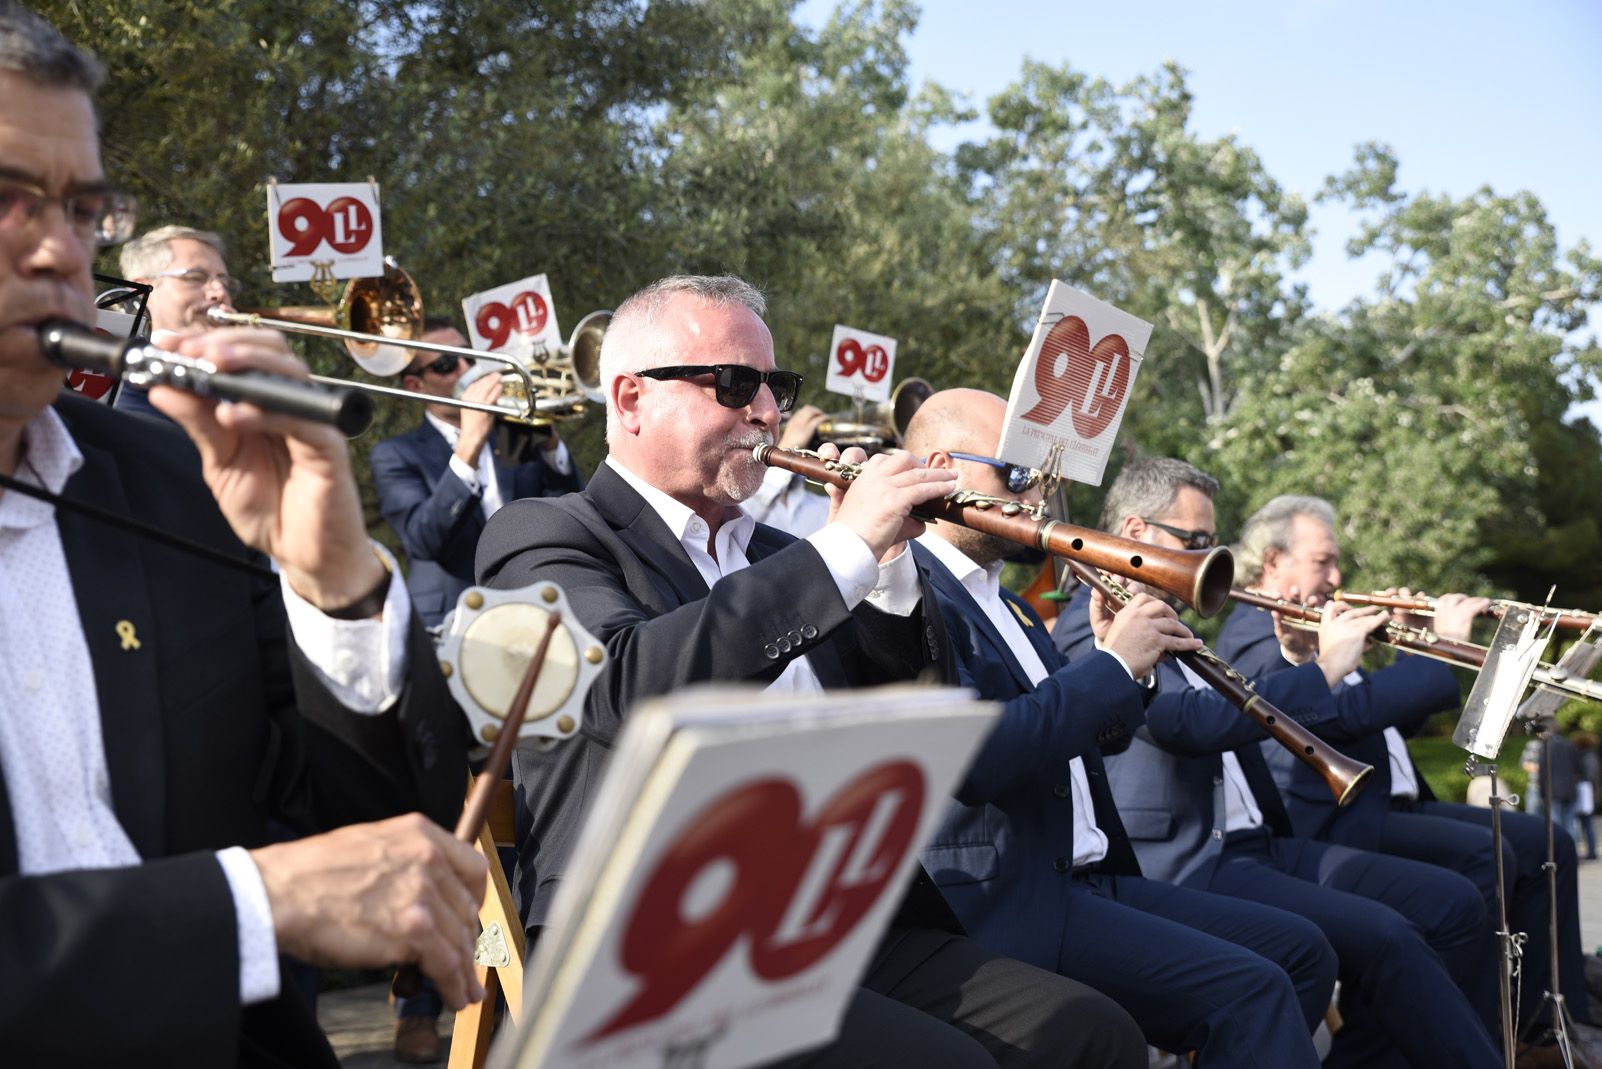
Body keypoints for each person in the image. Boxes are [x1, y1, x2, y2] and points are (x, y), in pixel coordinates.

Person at [477, 277, 1147, 1068]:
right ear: (630, 399)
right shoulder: (544, 533)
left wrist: (891, 567)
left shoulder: (776, 556)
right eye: (732, 383)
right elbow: (621, 689)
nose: (765, 411)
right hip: (660, 935)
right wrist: (842, 550)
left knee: (1093, 1033)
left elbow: (915, 720)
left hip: (839, 918)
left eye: (774, 386)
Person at [0, 7, 485, 1064]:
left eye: (83, 209)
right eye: (8, 198)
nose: (56, 248)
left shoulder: (161, 476)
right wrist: (242, 909)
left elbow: (358, 825)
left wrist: (335, 584)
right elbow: (276, 886)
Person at [898, 390, 1340, 1067]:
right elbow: (982, 758)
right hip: (1011, 894)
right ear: (939, 466)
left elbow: (1088, 738)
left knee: (1297, 955)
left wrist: (1123, 673)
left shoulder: (1010, 604)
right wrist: (1110, 664)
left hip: (1090, 875)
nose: (1037, 495)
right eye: (1015, 474)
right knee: (1250, 990)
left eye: (1041, 479)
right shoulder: (909, 592)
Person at [1055, 457, 1500, 1068]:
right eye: (1196, 542)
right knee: (1365, 940)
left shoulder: (1174, 618)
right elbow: (1191, 724)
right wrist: (1325, 668)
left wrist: (1297, 663)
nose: (1211, 557)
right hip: (1188, 858)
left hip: (1257, 840)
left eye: (1212, 542)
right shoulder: (1090, 623)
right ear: (1135, 532)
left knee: (1445, 905)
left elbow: (1238, 714)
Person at [1216, 493, 1591, 1034]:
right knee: (1489, 856)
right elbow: (1336, 718)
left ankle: (1542, 1023)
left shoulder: (1318, 620)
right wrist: (1433, 647)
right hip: (1333, 820)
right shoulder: (1253, 631)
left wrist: (1404, 647)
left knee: (1544, 841)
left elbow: (1382, 722)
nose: (1337, 574)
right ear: (1273, 562)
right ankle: (1471, 1032)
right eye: (1323, 560)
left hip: (1384, 802)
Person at [371, 317, 582, 631]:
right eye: (445, 364)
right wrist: (469, 443)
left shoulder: (513, 431)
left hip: (537, 603)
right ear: (416, 384)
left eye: (468, 356)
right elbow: (424, 540)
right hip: (454, 616)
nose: (465, 369)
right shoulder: (395, 455)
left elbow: (564, 510)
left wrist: (550, 442)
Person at [113, 224, 238, 418]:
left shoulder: (240, 365)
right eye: (196, 278)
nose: (220, 292)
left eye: (224, 282)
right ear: (144, 290)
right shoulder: (125, 377)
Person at [739, 402, 830, 536]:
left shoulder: (823, 505)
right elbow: (747, 515)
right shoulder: (740, 501)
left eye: (786, 421)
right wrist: (788, 449)